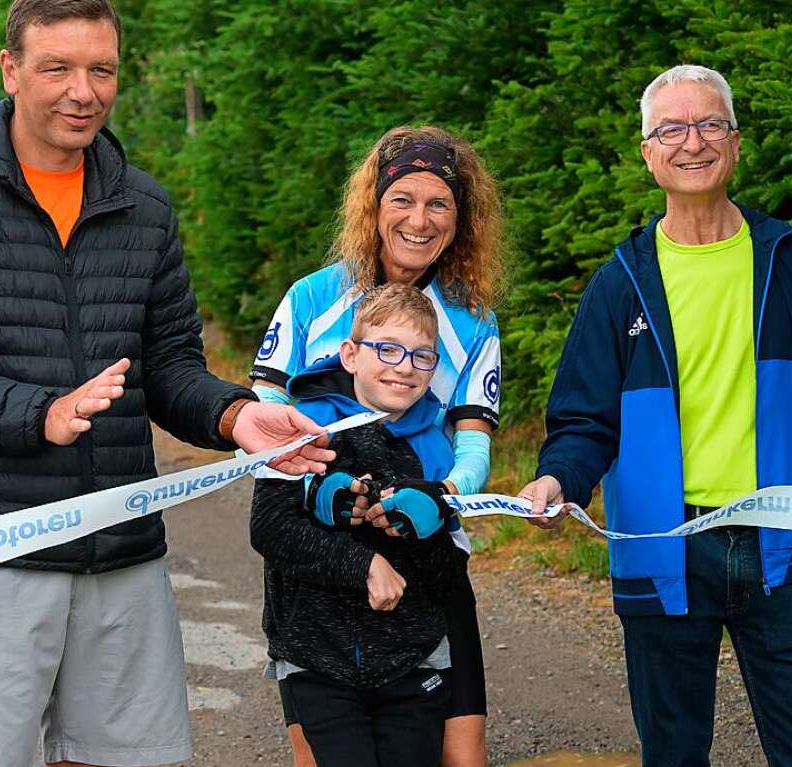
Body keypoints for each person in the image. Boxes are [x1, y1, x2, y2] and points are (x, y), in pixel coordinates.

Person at [0, 2, 333, 766]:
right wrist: (39, 414)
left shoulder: (144, 206)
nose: (82, 90)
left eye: (102, 69)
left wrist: (237, 417)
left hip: (121, 548)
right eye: (57, 67)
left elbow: (171, 367)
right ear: (11, 69)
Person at [519, 64, 792, 767]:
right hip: (663, 546)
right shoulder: (620, 282)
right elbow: (584, 420)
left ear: (736, 141)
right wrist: (559, 481)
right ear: (647, 152)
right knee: (673, 751)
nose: (691, 142)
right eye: (671, 128)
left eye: (709, 124)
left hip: (782, 539)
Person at [250, 125, 504, 767]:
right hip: (317, 561)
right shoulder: (311, 297)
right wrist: (314, 487)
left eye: (438, 203)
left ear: (460, 218)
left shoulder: (474, 318)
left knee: (460, 756)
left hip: (426, 553)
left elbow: (473, 445)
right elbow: (263, 421)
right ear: (374, 205)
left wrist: (443, 497)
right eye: (403, 200)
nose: (419, 220)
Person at [251, 284, 466, 767]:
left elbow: (448, 574)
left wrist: (421, 529)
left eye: (422, 356)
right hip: (317, 656)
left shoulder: (436, 448)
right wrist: (362, 561)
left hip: (412, 660)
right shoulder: (300, 427)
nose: (404, 366)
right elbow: (269, 528)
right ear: (349, 354)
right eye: (387, 349)